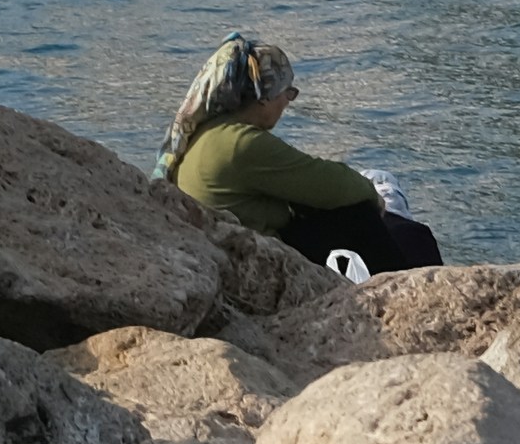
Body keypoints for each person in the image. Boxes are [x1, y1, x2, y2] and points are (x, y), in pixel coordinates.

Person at [158, 33, 437, 271]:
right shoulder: (240, 144)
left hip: (228, 244)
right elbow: (336, 184)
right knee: (375, 220)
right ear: (264, 97)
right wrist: (372, 198)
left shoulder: (207, 133)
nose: (288, 103)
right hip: (257, 257)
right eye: (287, 93)